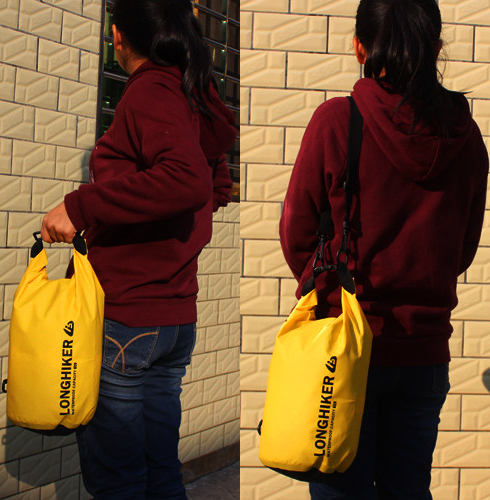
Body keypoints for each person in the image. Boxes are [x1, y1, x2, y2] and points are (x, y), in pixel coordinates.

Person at [279, 0, 488, 498]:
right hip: (424, 353)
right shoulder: (466, 136)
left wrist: (332, 289)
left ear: (359, 48)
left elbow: (296, 235)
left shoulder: (337, 122)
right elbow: (461, 250)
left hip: (343, 349)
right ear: (436, 48)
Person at [40, 0, 237, 498]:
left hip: (129, 317)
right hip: (173, 318)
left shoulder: (151, 90)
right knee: (159, 470)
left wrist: (81, 206)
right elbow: (214, 186)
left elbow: (188, 181)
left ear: (118, 35)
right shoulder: (192, 93)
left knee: (119, 480)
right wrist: (178, 236)